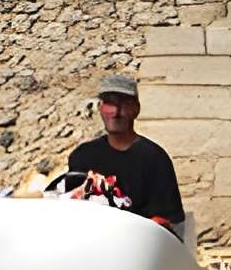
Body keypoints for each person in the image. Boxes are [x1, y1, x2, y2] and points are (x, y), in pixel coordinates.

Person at [63, 73, 188, 226]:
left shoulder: (154, 159)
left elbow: (165, 219)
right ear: (101, 108)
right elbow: (71, 210)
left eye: (124, 104)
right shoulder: (82, 156)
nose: (116, 112)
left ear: (136, 109)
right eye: (110, 103)